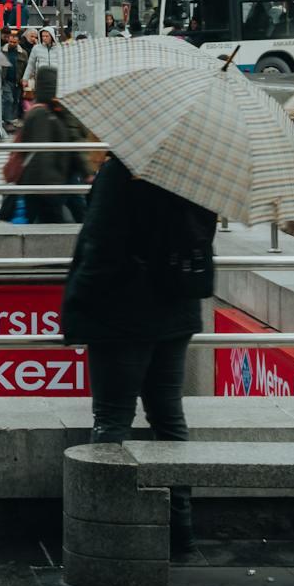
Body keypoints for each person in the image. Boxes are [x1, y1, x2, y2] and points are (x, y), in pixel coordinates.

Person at [60, 156, 217, 563]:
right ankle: (180, 531)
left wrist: (77, 309)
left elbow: (100, 241)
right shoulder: (197, 169)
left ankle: (108, 530)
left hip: (122, 311)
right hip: (176, 308)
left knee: (112, 420)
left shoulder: (125, 169)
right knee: (169, 419)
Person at [17, 67, 86, 224]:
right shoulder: (42, 113)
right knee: (49, 229)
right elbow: (43, 153)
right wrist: (51, 188)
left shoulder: (54, 109)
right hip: (46, 187)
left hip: (53, 183)